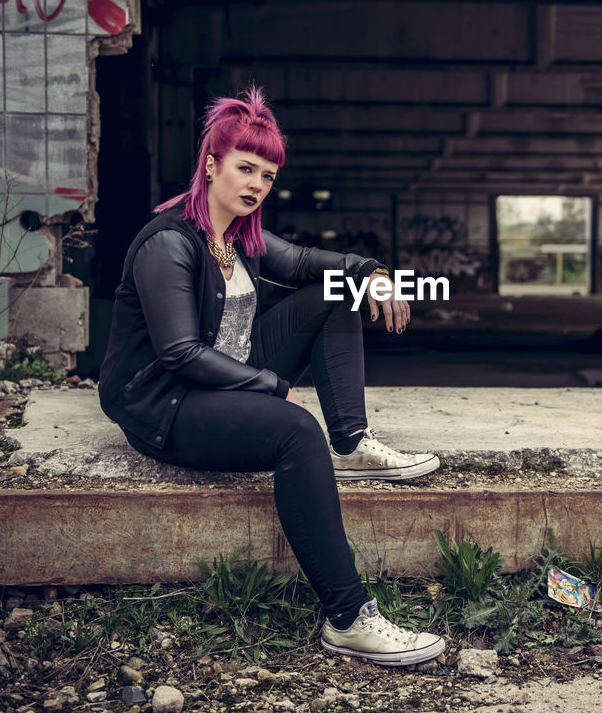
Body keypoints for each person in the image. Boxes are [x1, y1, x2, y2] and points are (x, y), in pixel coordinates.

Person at [99, 85, 444, 665]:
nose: (257, 185)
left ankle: (354, 444)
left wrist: (373, 272)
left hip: (223, 374)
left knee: (337, 294)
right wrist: (270, 387)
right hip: (169, 404)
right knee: (295, 430)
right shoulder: (168, 243)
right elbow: (180, 353)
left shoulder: (240, 237)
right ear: (211, 166)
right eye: (245, 168)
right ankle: (349, 619)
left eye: (268, 175)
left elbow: (308, 263)